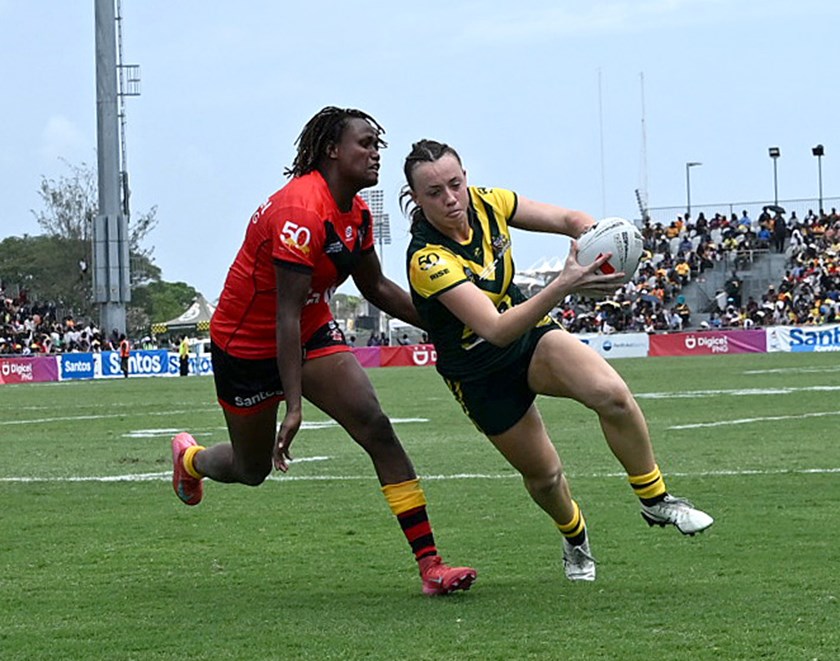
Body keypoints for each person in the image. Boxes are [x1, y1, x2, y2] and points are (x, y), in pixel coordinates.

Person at [169, 107, 475, 596]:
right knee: (252, 471)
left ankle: (431, 567)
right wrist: (293, 405)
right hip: (247, 344)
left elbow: (375, 287)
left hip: (308, 331)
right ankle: (191, 461)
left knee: (376, 427)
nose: (377, 153)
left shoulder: (356, 212)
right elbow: (282, 315)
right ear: (333, 149)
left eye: (378, 144)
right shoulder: (300, 211)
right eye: (366, 144)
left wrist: (445, 324)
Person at [401, 139, 714, 582]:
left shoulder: (491, 202)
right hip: (478, 372)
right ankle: (574, 536)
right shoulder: (427, 258)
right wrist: (565, 284)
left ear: (466, 176)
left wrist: (600, 247)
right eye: (434, 192)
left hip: (530, 337)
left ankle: (656, 500)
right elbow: (494, 329)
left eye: (455, 184)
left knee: (612, 395)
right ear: (415, 198)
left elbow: (570, 220)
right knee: (546, 477)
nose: (451, 198)